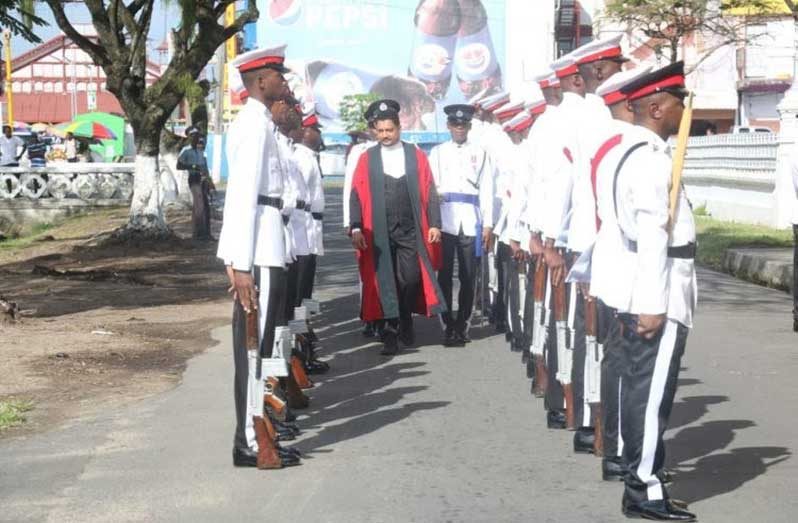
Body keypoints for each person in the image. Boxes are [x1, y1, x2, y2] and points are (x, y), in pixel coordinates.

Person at [593, 61, 697, 522]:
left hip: (635, 284)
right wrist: (652, 305)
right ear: (656, 106)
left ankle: (641, 477)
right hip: (660, 290)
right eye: (678, 102)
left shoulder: (621, 151)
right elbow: (652, 234)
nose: (684, 110)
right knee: (651, 396)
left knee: (640, 389)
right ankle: (645, 490)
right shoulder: (650, 158)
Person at [216, 45, 300, 469]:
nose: (284, 81)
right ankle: (249, 439)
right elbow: (241, 196)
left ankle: (258, 431)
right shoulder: (252, 124)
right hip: (257, 251)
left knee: (262, 351)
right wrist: (240, 263)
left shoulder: (263, 123)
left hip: (269, 243)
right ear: (260, 80)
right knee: (252, 351)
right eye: (278, 74)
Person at [349, 99, 446, 355]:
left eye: (389, 130)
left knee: (411, 278)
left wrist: (435, 223)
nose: (384, 135)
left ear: (398, 128)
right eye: (379, 131)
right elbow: (356, 194)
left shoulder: (415, 155)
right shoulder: (366, 158)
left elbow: (429, 190)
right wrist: (356, 227)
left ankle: (405, 316)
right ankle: (390, 332)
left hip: (410, 228)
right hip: (379, 230)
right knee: (385, 280)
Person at [429, 104, 495, 346]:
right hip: (445, 220)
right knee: (444, 275)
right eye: (455, 124)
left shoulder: (481, 152)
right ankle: (447, 324)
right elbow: (430, 188)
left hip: (470, 220)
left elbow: (488, 189)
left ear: (469, 126)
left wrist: (488, 224)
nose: (459, 128)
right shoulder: (436, 152)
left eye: (463, 124)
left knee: (469, 275)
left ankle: (463, 325)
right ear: (448, 126)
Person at [177, 132, 212, 240]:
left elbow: (204, 167)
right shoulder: (186, 151)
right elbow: (179, 165)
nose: (201, 143)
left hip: (203, 179)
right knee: (199, 204)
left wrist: (210, 181)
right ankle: (198, 234)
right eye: (199, 141)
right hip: (194, 179)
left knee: (205, 205)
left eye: (202, 142)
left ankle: (206, 233)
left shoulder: (201, 152)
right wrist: (192, 166)